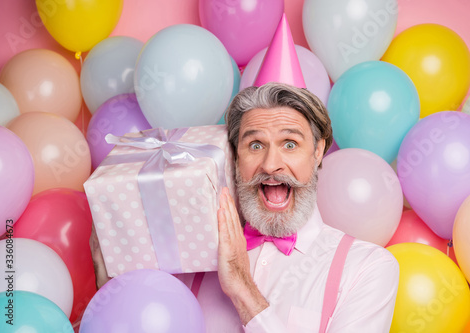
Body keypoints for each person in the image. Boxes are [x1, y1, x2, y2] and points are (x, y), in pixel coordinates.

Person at [92, 82, 399, 332]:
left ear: (317, 152)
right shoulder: (184, 259)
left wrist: (242, 289)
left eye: (290, 144)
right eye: (255, 145)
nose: (271, 164)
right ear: (235, 159)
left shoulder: (367, 268)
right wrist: (112, 290)